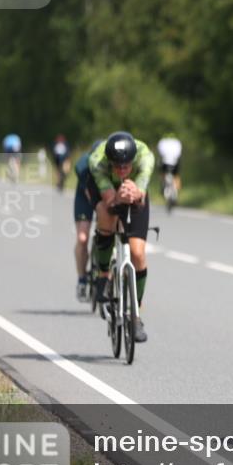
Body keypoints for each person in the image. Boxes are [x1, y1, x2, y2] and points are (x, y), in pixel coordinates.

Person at [88, 132, 154, 342]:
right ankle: (103, 274)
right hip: (108, 191)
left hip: (135, 192)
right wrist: (117, 197)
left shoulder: (145, 157)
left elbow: (141, 192)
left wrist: (136, 192)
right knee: (105, 216)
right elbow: (109, 199)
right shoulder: (97, 161)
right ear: (110, 162)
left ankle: (136, 315)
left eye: (126, 166)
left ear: (133, 160)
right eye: (117, 166)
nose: (122, 170)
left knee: (138, 253)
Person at [72, 140, 102, 300]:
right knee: (83, 238)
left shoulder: (115, 163)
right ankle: (82, 279)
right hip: (86, 196)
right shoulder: (83, 166)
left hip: (106, 192)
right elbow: (91, 197)